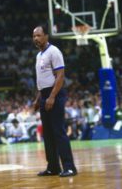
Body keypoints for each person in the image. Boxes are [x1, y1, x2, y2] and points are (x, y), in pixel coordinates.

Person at [32, 25, 77, 177]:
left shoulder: (54, 51)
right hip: (44, 95)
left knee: (59, 132)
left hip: (55, 95)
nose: (36, 39)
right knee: (48, 134)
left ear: (46, 36)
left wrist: (51, 97)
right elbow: (43, 80)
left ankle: (70, 167)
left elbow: (60, 76)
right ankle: (53, 167)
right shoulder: (39, 56)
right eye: (34, 36)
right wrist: (39, 99)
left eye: (38, 35)